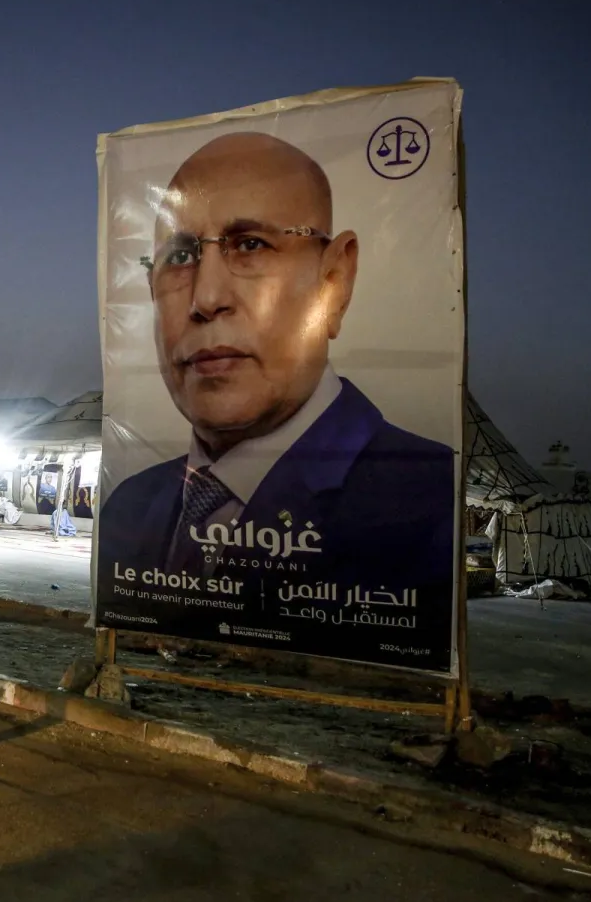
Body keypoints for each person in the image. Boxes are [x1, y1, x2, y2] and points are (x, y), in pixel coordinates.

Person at [100, 132, 453, 600]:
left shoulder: (429, 504)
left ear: (334, 281)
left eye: (250, 245)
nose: (206, 298)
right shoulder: (129, 505)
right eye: (180, 257)